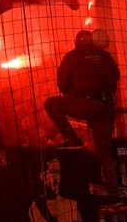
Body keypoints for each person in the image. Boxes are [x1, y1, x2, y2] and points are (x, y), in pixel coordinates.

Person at [44, 31, 121, 171]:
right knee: (104, 153)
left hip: (85, 104)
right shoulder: (105, 56)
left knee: (50, 103)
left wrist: (73, 95)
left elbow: (62, 83)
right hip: (107, 108)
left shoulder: (72, 56)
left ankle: (72, 139)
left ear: (76, 42)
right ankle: (112, 192)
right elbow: (116, 76)